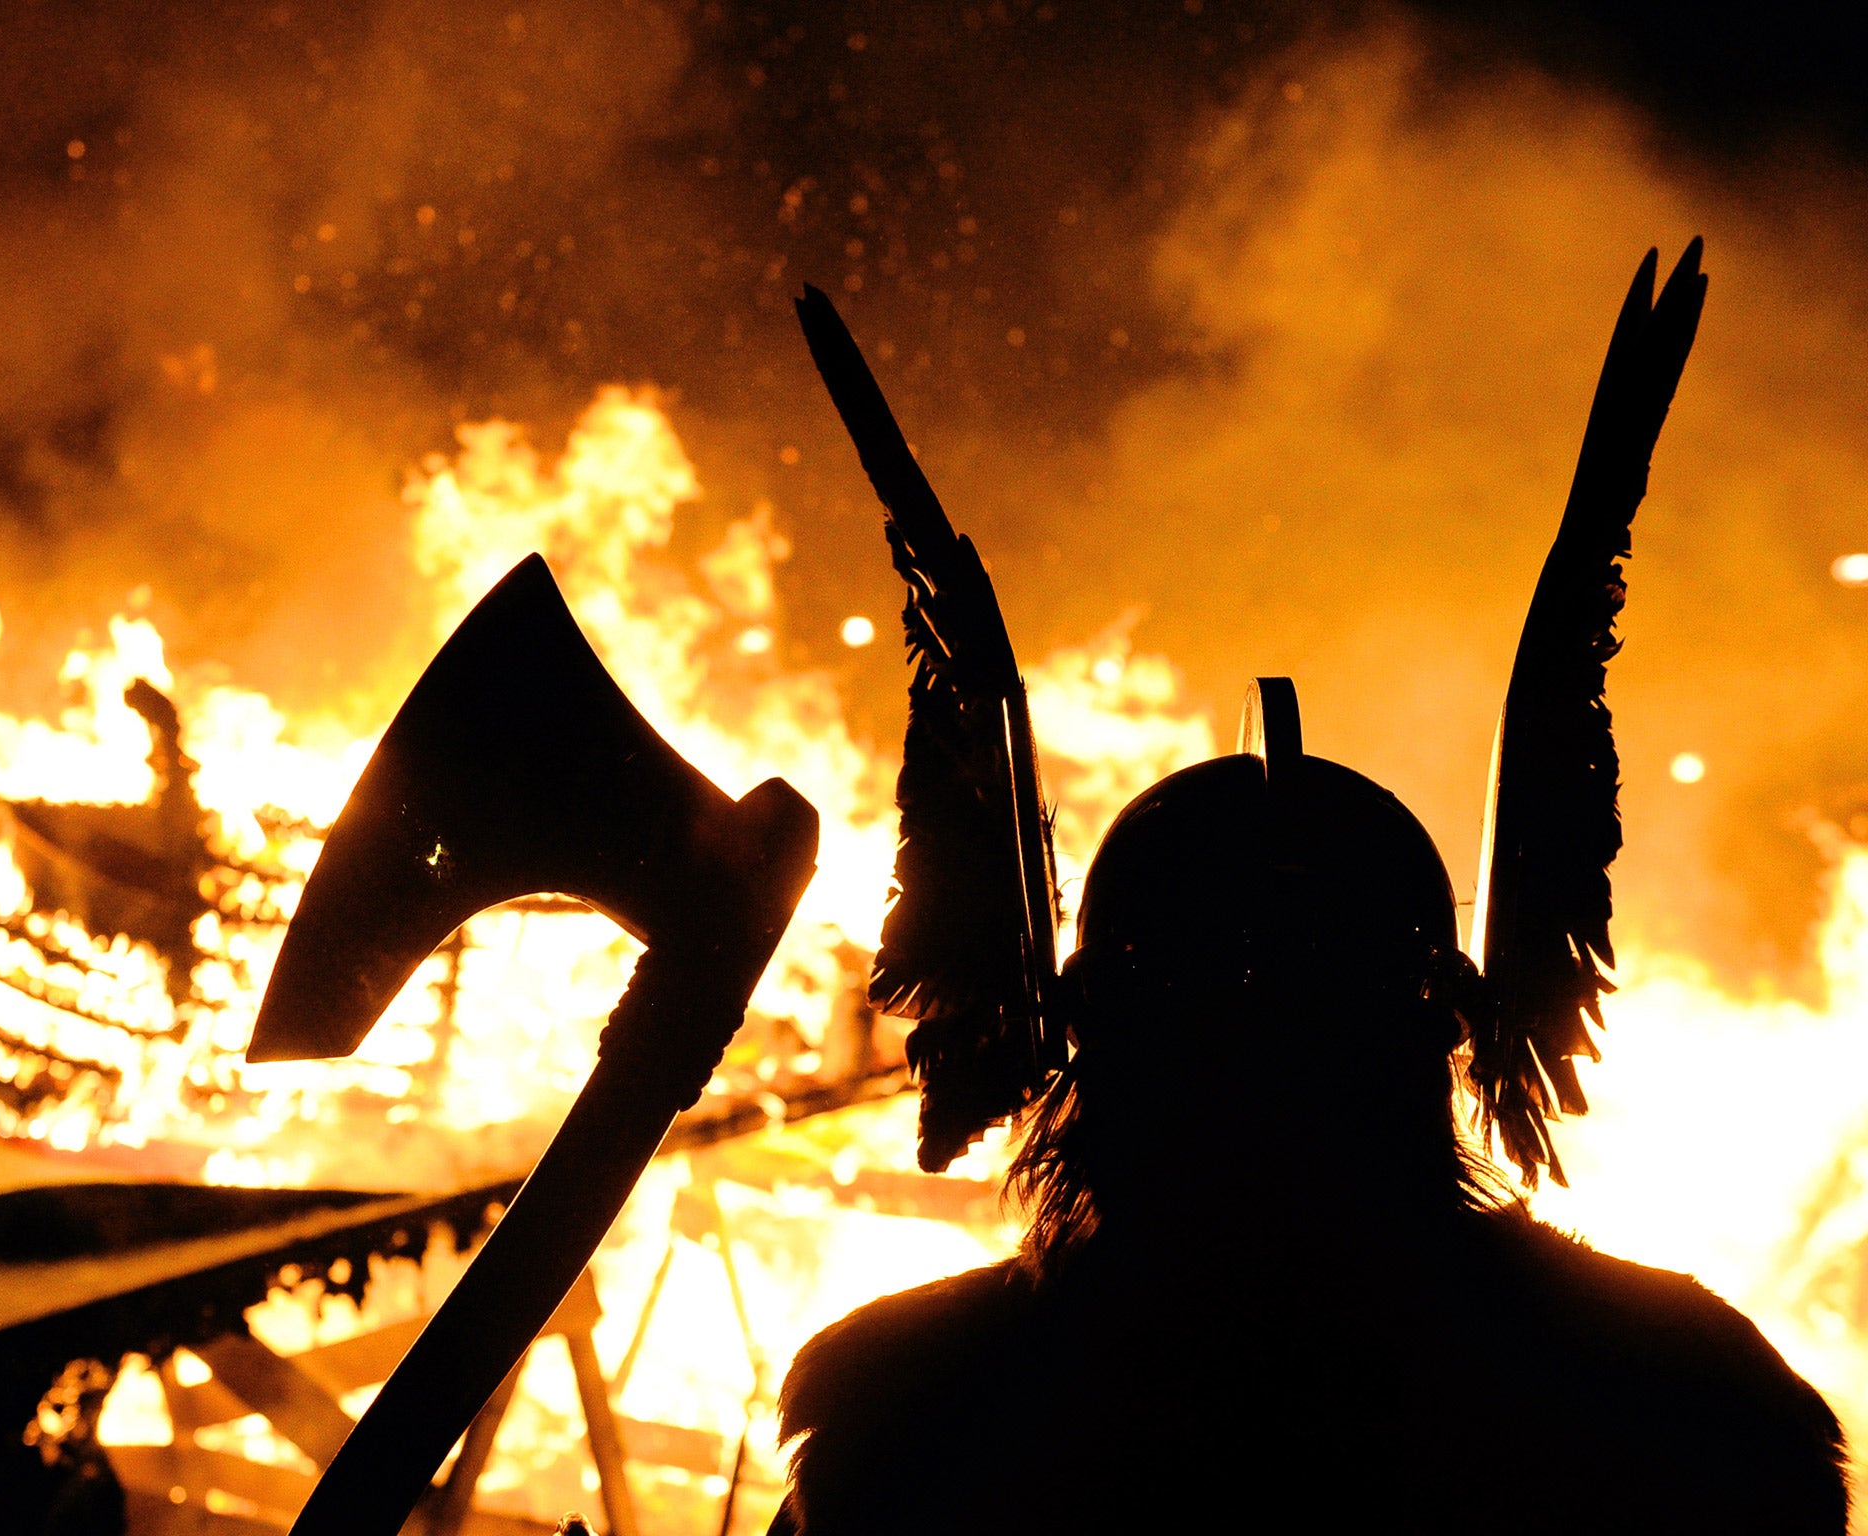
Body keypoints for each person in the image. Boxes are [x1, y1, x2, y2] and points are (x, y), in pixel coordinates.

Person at [773, 245, 1847, 1531]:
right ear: (1445, 1025)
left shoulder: (911, 1406)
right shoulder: (1686, 1396)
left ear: (1078, 1033)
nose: (1259, 1099)